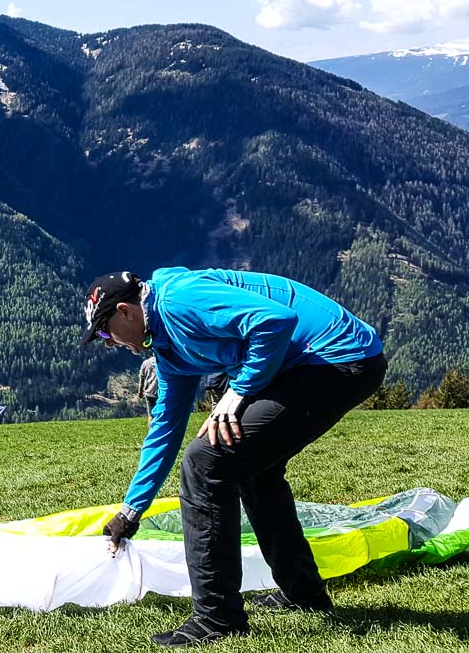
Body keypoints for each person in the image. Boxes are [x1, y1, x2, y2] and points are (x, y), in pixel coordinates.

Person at [80, 268, 385, 648]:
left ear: (125, 311)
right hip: (310, 365)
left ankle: (217, 618)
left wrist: (239, 391)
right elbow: (165, 429)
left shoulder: (178, 301)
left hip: (339, 360)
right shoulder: (169, 346)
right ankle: (302, 593)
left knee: (206, 462)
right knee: (253, 471)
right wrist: (130, 511)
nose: (109, 343)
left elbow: (275, 320)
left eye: (105, 332)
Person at [137, 353, 159, 426]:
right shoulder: (161, 363)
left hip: (149, 393)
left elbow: (141, 378)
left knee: (151, 415)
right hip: (160, 392)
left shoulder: (145, 363)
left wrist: (140, 392)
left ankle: (151, 431)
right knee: (161, 413)